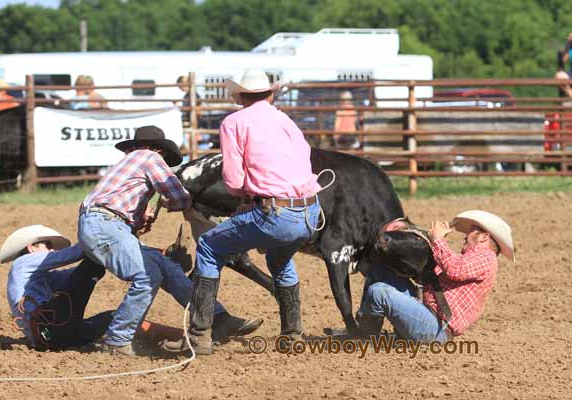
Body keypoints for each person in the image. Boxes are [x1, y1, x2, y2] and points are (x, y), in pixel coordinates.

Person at [162, 69, 322, 356]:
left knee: (209, 246)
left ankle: (199, 335)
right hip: (311, 211)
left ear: (240, 97)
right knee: (280, 258)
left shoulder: (234, 122)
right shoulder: (285, 119)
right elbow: (304, 156)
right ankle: (292, 334)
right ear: (270, 94)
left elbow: (234, 180)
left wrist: (248, 196)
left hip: (276, 213)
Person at [77, 125, 261, 356]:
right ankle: (117, 340)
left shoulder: (129, 163)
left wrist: (137, 220)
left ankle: (217, 317)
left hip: (104, 224)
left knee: (167, 268)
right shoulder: (149, 156)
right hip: (105, 225)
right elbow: (177, 194)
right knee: (146, 276)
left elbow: (118, 207)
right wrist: (178, 202)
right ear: (159, 150)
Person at [357, 210, 514, 343]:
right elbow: (440, 272)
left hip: (436, 327)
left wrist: (438, 239)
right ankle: (366, 331)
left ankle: (366, 337)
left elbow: (455, 269)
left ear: (484, 237)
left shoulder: (486, 258)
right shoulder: (471, 259)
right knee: (378, 271)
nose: (465, 237)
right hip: (427, 315)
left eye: (470, 232)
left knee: (379, 292)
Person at [0, 225, 113, 350]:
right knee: (92, 266)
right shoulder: (22, 262)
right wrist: (104, 238)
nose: (52, 250)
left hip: (53, 336)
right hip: (50, 326)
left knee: (115, 317)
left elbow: (74, 275)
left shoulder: (42, 278)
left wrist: (104, 258)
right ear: (31, 248)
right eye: (48, 245)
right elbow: (73, 255)